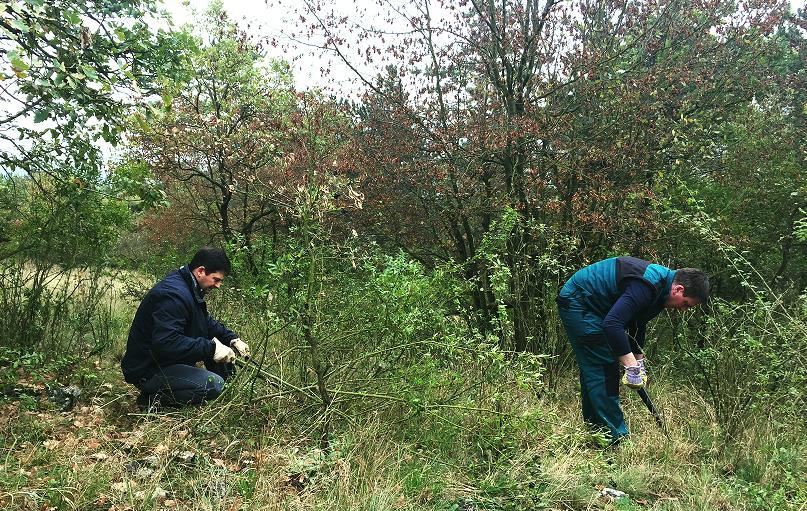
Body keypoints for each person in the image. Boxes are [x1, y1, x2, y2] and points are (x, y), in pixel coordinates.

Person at [556, 256, 709, 444]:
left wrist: (638, 360)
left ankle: (596, 431)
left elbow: (637, 322)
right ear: (679, 289)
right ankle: (615, 439)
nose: (683, 310)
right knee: (603, 368)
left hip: (596, 308)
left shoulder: (659, 290)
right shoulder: (647, 285)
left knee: (597, 368)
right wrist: (631, 367)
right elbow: (612, 325)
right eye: (686, 304)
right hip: (579, 302)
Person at [121, 247, 250, 411]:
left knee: (220, 351)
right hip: (149, 369)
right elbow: (166, 343)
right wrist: (212, 349)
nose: (218, 285)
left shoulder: (190, 287)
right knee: (214, 384)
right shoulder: (173, 295)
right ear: (201, 271)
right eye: (216, 279)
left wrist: (232, 339)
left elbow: (204, 322)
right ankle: (152, 400)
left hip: (165, 361)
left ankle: (226, 398)